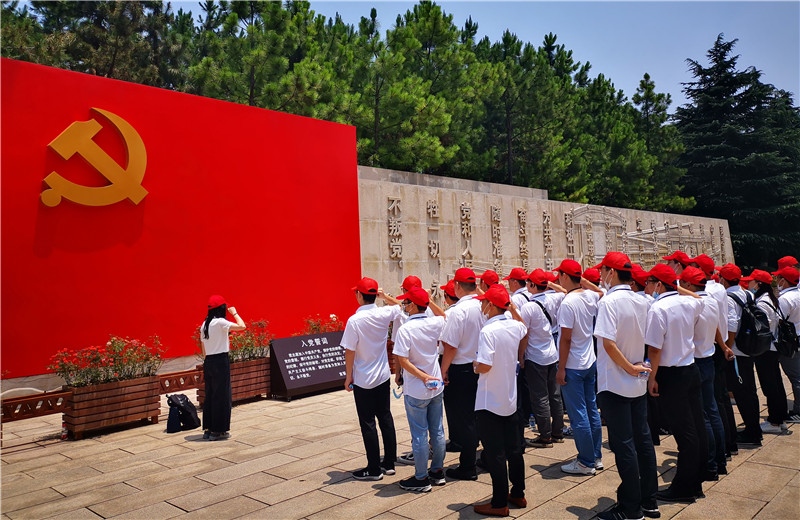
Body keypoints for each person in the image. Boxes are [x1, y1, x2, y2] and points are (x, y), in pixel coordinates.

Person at [592, 252, 659, 520]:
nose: (599, 275)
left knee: (625, 446)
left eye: (602, 271)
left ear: (611, 272)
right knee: (642, 442)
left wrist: (629, 367)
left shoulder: (610, 302)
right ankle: (649, 500)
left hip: (616, 382)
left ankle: (631, 508)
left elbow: (608, 343)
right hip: (637, 383)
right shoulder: (642, 300)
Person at [644, 264, 706, 503]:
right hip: (690, 370)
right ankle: (696, 480)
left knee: (685, 434)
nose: (647, 287)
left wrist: (652, 377)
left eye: (650, 282)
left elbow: (655, 350)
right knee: (697, 429)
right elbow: (698, 297)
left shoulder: (659, 308)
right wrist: (679, 288)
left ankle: (684, 488)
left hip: (671, 374)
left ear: (659, 284)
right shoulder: (690, 303)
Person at [472, 285, 528, 517]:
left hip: (489, 400)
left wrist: (475, 366)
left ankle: (498, 503)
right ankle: (517, 492)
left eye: (485, 302)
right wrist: (512, 308)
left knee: (495, 453)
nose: (482, 306)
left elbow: (485, 364)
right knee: (514, 450)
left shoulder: (488, 331)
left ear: (492, 305)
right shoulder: (515, 326)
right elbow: (524, 326)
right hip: (509, 398)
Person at [342, 277, 402, 481]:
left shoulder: (354, 320)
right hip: (383, 374)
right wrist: (384, 296)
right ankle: (390, 463)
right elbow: (401, 306)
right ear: (374, 295)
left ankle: (374, 468)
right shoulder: (384, 312)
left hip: (363, 378)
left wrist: (348, 375)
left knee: (367, 422)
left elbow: (349, 351)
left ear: (359, 295)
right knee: (385, 417)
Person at [392, 286, 448, 492]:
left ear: (414, 305)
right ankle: (437, 471)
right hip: (436, 387)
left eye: (406, 303)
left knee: (419, 434)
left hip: (417, 388)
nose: (404, 306)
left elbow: (402, 360)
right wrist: (429, 301)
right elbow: (444, 315)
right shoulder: (435, 322)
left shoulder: (406, 328)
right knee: (438, 431)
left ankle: (421, 478)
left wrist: (422, 377)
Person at [554, 259, 603, 475]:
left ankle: (585, 462)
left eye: (560, 275)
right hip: (589, 361)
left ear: (565, 276)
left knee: (579, 414)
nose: (558, 279)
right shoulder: (590, 295)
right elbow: (601, 292)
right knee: (591, 409)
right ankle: (596, 456)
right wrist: (582, 280)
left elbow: (565, 339)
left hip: (573, 365)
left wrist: (561, 368)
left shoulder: (568, 303)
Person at [680, 266, 728, 479]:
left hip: (697, 362)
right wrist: (724, 347)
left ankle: (708, 465)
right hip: (708, 358)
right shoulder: (711, 300)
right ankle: (720, 459)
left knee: (702, 416)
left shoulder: (693, 304)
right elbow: (717, 327)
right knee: (712, 411)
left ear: (689, 285)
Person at [691, 254, 737, 458]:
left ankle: (717, 452)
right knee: (719, 400)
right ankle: (728, 445)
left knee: (711, 405)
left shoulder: (704, 293)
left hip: (710, 348)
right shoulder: (718, 288)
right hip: (718, 343)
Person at [440, 267, 484, 480]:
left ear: (457, 286)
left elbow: (450, 346)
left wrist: (443, 370)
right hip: (481, 367)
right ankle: (483, 458)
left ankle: (468, 466)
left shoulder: (458, 311)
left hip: (462, 369)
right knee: (479, 416)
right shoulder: (484, 305)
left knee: (465, 419)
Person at [520, 269, 565, 448]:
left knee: (540, 397)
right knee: (554, 395)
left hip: (535, 356)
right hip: (552, 354)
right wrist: (549, 283)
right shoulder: (554, 298)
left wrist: (520, 356)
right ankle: (558, 432)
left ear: (531, 284)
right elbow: (564, 292)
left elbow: (524, 335)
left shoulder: (528, 307)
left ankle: (545, 436)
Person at [719, 263, 763, 447]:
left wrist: (727, 348)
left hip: (736, 351)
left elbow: (731, 325)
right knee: (750, 391)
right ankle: (754, 428)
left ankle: (752, 433)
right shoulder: (747, 293)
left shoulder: (729, 297)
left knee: (741, 392)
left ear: (724, 279)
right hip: (749, 348)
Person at [744, 269, 789, 434]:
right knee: (776, 384)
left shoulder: (762, 302)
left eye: (751, 281)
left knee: (770, 386)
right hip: (771, 348)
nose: (749, 284)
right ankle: (780, 418)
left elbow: (762, 326)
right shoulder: (770, 298)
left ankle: (775, 421)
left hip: (765, 349)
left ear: (758, 284)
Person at [199, 295, 246, 441]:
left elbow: (203, 349)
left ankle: (208, 428)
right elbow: (242, 326)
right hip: (220, 361)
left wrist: (208, 361)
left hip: (209, 362)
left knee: (211, 395)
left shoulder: (205, 324)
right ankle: (218, 431)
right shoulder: (221, 322)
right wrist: (235, 313)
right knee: (222, 396)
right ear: (221, 308)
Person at [773, 265, 800, 423]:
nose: (776, 280)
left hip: (791, 342)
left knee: (796, 377)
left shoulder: (785, 299)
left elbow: (778, 320)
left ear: (784, 280)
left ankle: (798, 411)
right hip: (797, 337)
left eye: (778, 278)